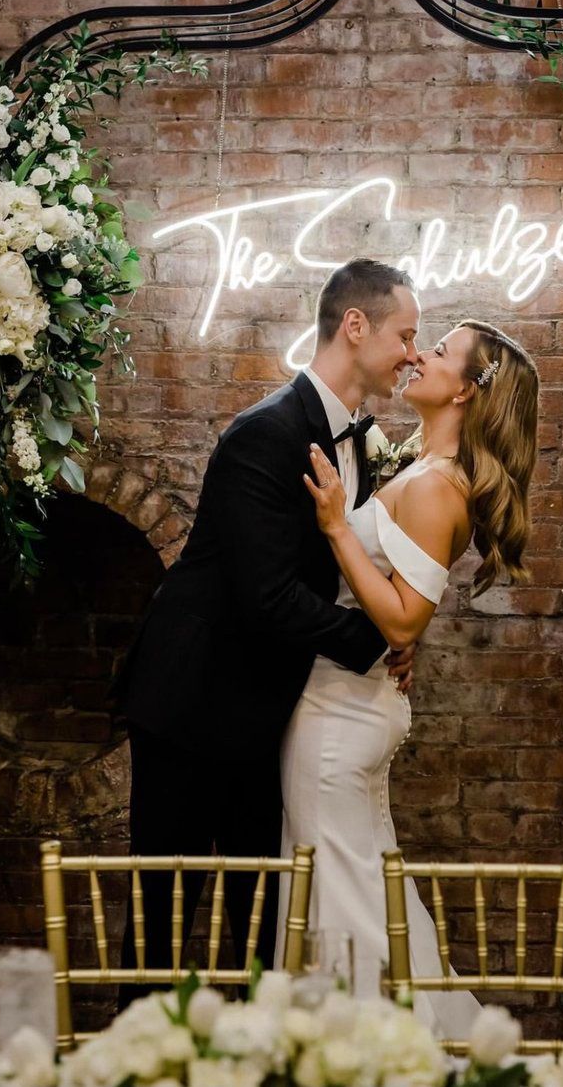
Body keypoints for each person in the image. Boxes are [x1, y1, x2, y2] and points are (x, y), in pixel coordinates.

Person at [113, 259, 420, 1002]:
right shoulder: (266, 433)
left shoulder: (357, 440)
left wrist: (394, 623)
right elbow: (270, 597)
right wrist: (379, 642)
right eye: (407, 334)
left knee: (257, 916)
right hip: (193, 703)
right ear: (355, 326)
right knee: (164, 921)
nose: (414, 351)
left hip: (266, 710)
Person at [276, 319, 540, 1037]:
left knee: (338, 896)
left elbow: (400, 624)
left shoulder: (437, 488)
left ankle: (367, 1052)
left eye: (441, 353)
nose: (420, 356)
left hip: (341, 714)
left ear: (468, 392)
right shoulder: (427, 474)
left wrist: (336, 525)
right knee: (360, 887)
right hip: (349, 701)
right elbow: (397, 604)